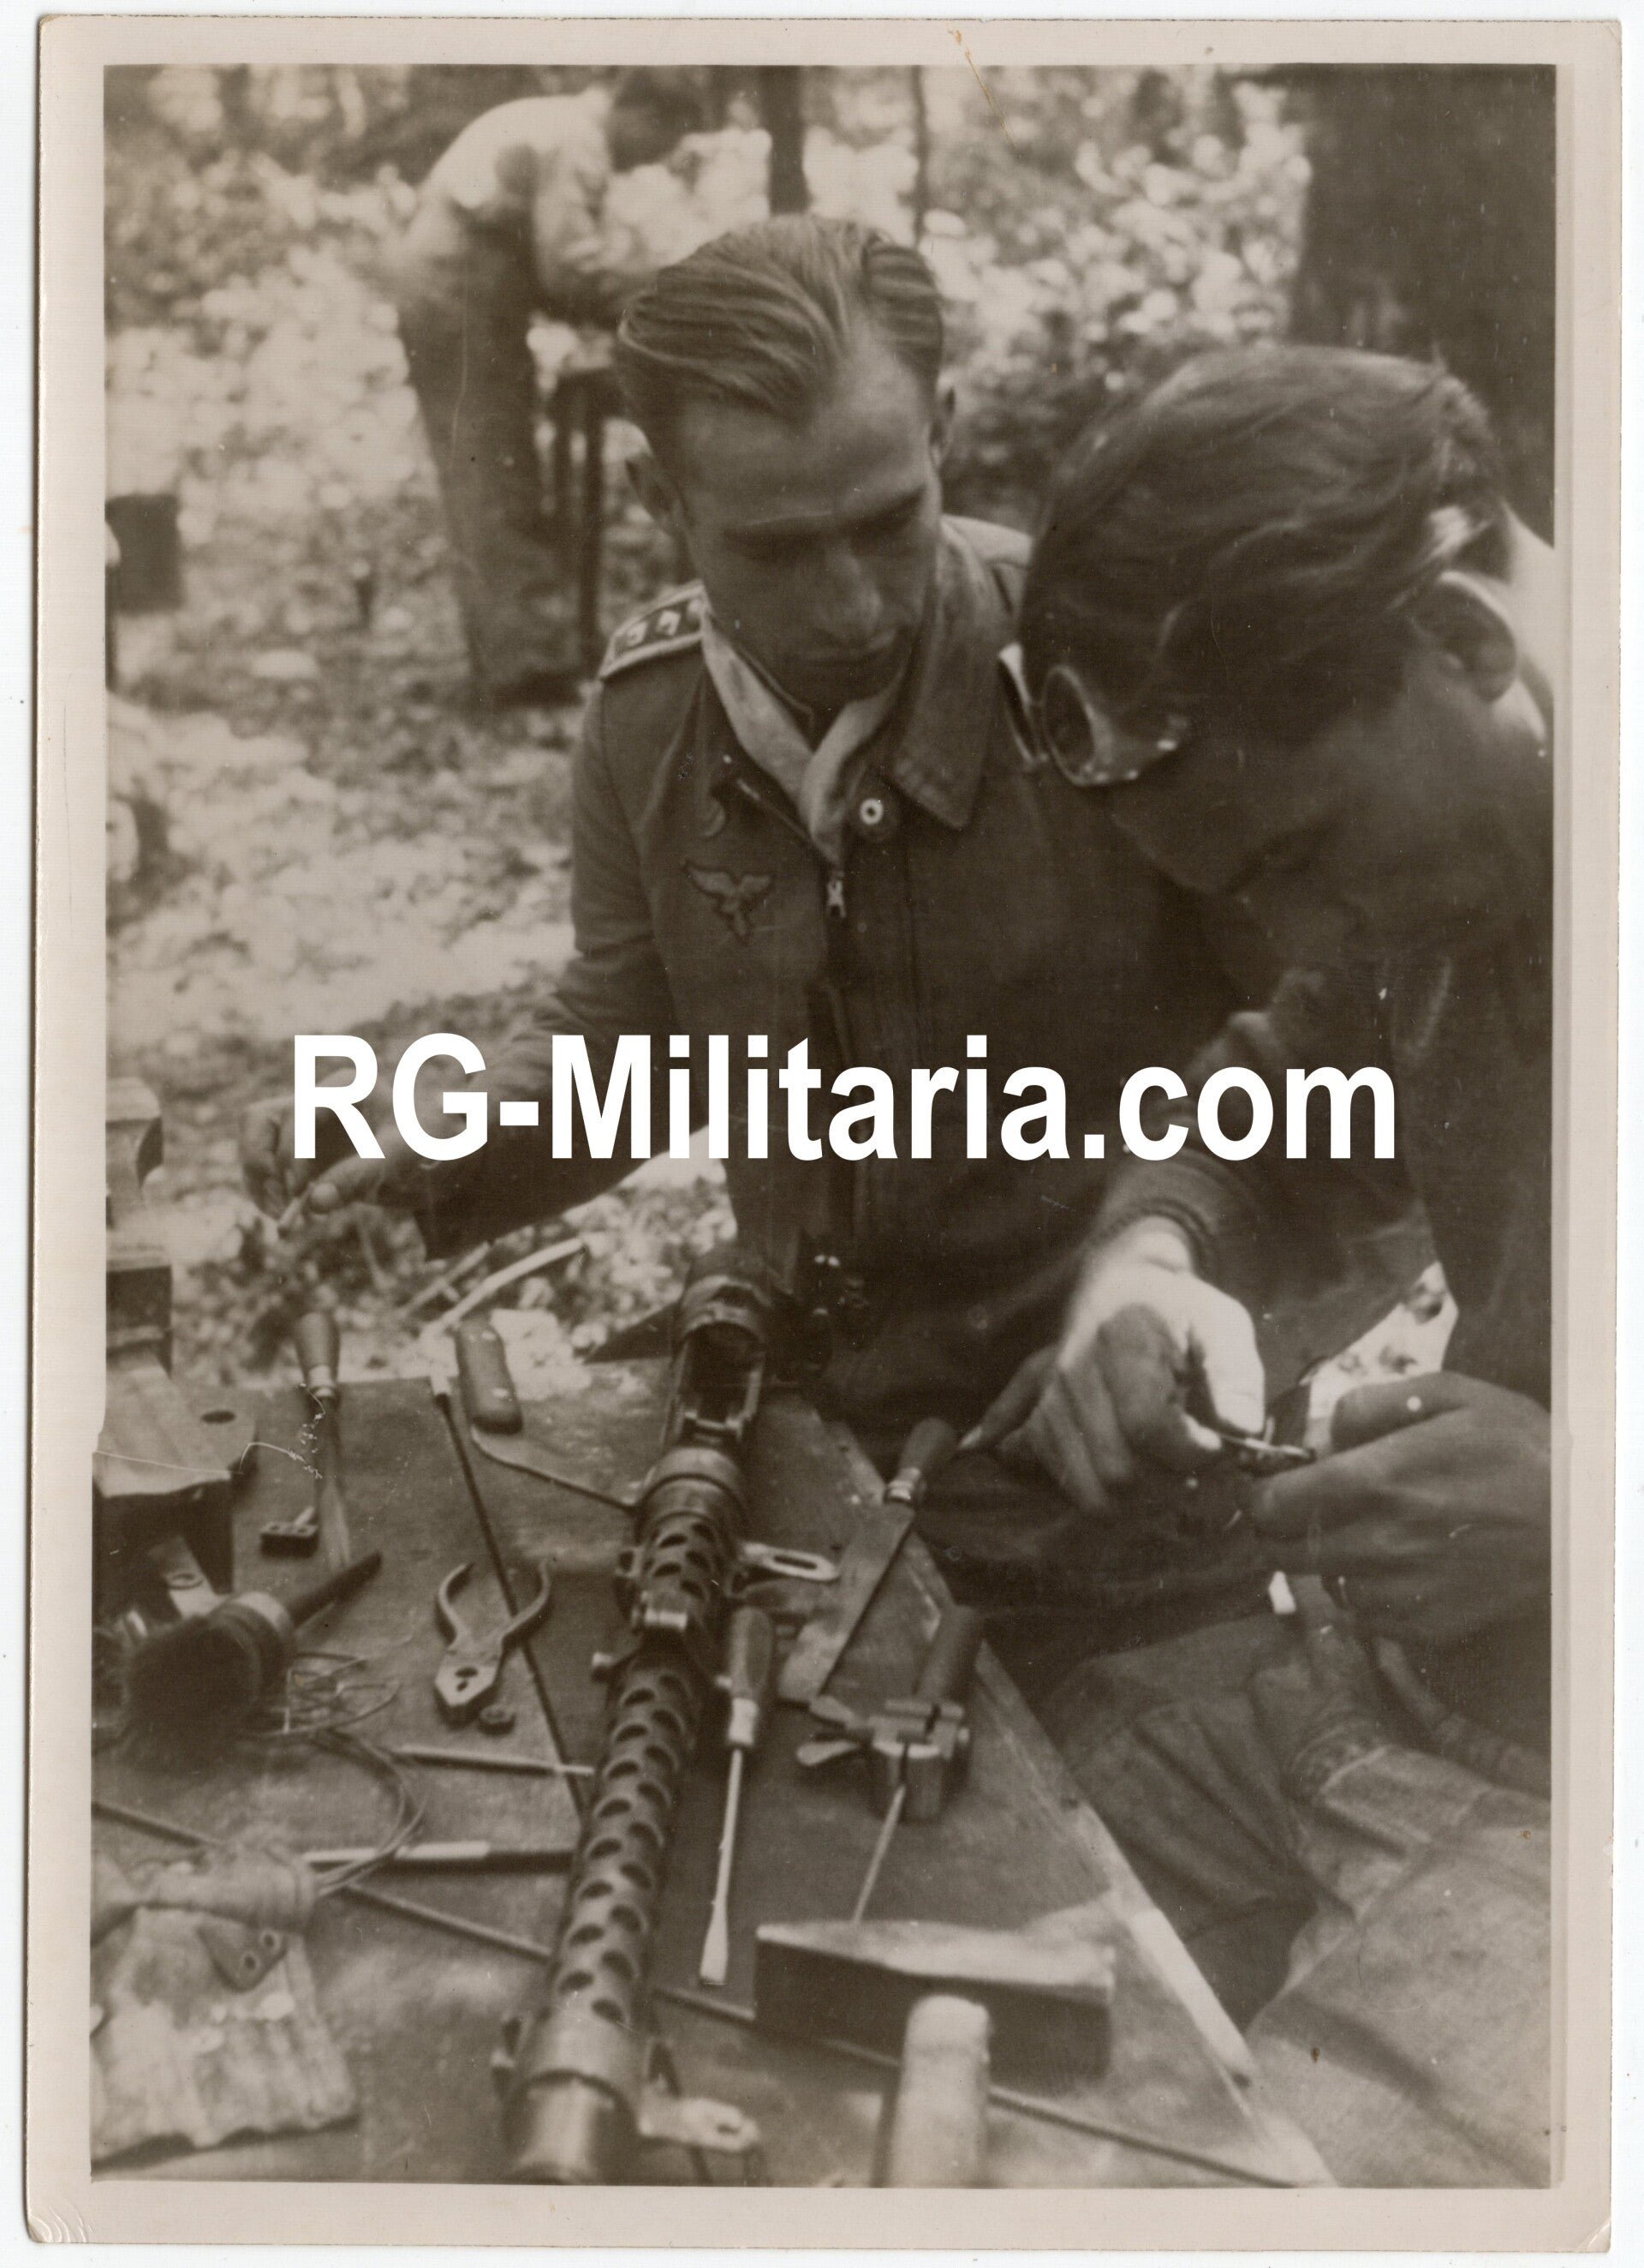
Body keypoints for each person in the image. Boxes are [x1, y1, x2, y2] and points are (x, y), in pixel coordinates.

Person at [242, 218, 1289, 1601]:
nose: (853, 601)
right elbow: (637, 1039)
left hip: (1097, 1479)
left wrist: (1178, 1318)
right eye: (778, 548)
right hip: (792, 1453)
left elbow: (1327, 1049)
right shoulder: (648, 720)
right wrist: (423, 1142)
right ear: (658, 502)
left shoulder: (1104, 670)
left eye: (887, 521)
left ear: (945, 435)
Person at [972, 343, 1556, 2181]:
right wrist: (1149, 1256)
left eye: (1308, 848)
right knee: (879, 1911)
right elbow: (1285, 1064)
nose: (1311, 931)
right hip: (1387, 1710)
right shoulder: (1454, 863)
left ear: (1463, 644)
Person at [385, 72, 706, 707]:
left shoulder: (564, 126)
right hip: (458, 287)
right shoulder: (576, 140)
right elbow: (568, 265)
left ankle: (520, 655)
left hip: (466, 283)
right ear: (635, 108)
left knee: (498, 466)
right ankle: (524, 670)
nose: (655, 154)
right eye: (662, 134)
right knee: (491, 470)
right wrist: (666, 286)